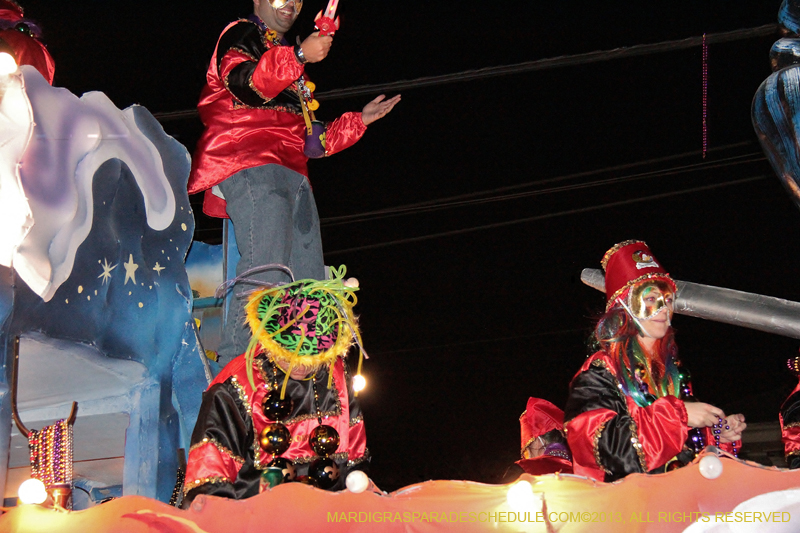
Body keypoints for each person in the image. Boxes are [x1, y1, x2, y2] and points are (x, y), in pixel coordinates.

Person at [187, 0, 401, 364]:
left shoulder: (285, 56)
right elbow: (247, 85)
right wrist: (300, 54)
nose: (290, 5)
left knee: (308, 281)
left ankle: (304, 378)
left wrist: (359, 121)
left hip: (295, 173)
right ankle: (234, 370)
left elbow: (311, 143)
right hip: (251, 158)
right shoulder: (240, 34)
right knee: (265, 269)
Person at [564, 240, 746, 482]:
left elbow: (683, 448)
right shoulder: (600, 371)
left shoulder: (672, 373)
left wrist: (715, 432)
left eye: (668, 300)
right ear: (624, 307)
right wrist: (678, 416)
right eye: (650, 299)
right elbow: (604, 451)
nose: (663, 309)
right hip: (629, 509)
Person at [183, 272, 368, 502]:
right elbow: (208, 483)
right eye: (290, 355)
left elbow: (355, 462)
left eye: (312, 357)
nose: (300, 365)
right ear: (270, 342)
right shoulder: (234, 387)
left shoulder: (337, 375)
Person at [503, 398, 573, 482]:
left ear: (537, 441)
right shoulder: (581, 471)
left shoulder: (523, 470)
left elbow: (500, 494)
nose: (525, 458)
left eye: (526, 451)